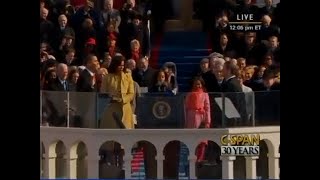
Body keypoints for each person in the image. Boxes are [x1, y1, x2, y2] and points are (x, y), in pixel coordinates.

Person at [100, 55, 135, 129]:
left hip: (126, 109)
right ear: (114, 65)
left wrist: (124, 99)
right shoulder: (107, 77)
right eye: (119, 65)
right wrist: (111, 97)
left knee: (126, 134)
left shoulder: (128, 76)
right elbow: (103, 93)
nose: (121, 67)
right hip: (112, 108)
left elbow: (131, 93)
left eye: (123, 65)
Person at [185, 77, 211, 162]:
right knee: (192, 139)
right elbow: (185, 107)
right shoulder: (189, 94)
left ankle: (200, 158)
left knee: (202, 140)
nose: (198, 85)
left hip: (201, 118)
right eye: (196, 84)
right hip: (191, 118)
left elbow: (207, 108)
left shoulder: (205, 94)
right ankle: (192, 157)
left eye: (199, 84)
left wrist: (207, 121)